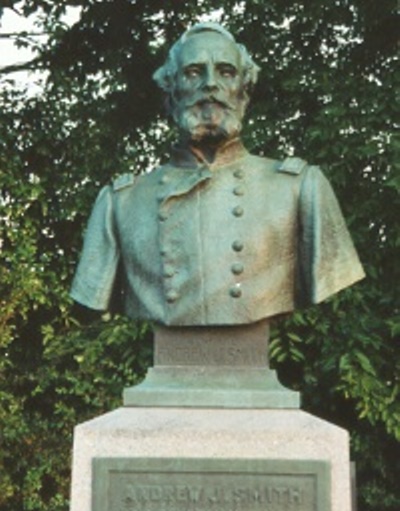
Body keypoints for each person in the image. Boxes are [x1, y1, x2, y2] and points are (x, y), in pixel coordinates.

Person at [70, 23, 364, 326]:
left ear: (244, 89)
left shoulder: (300, 188)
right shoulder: (122, 202)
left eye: (225, 72)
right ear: (171, 89)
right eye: (194, 72)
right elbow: (89, 302)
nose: (210, 84)